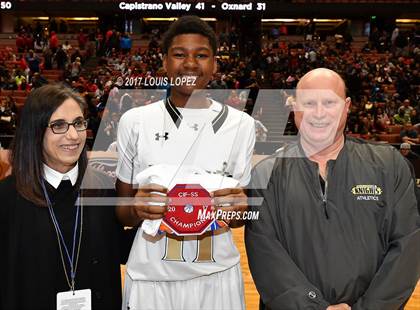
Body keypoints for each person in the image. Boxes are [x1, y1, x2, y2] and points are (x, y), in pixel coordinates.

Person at [246, 68, 420, 310]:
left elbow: (408, 246)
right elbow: (265, 253)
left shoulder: (389, 165)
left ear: (346, 106)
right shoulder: (265, 173)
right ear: (295, 107)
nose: (319, 113)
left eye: (329, 102)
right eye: (309, 103)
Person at [116, 16, 255, 310]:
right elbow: (122, 213)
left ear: (215, 63)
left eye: (201, 55)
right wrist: (137, 208)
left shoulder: (241, 125)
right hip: (152, 278)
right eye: (179, 54)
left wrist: (243, 209)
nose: (190, 63)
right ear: (164, 62)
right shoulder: (134, 122)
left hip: (216, 277)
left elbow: (241, 213)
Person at [0, 85, 127, 310]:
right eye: (58, 125)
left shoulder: (103, 189)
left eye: (78, 123)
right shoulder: (7, 197)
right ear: (35, 131)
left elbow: (120, 248)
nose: (73, 135)